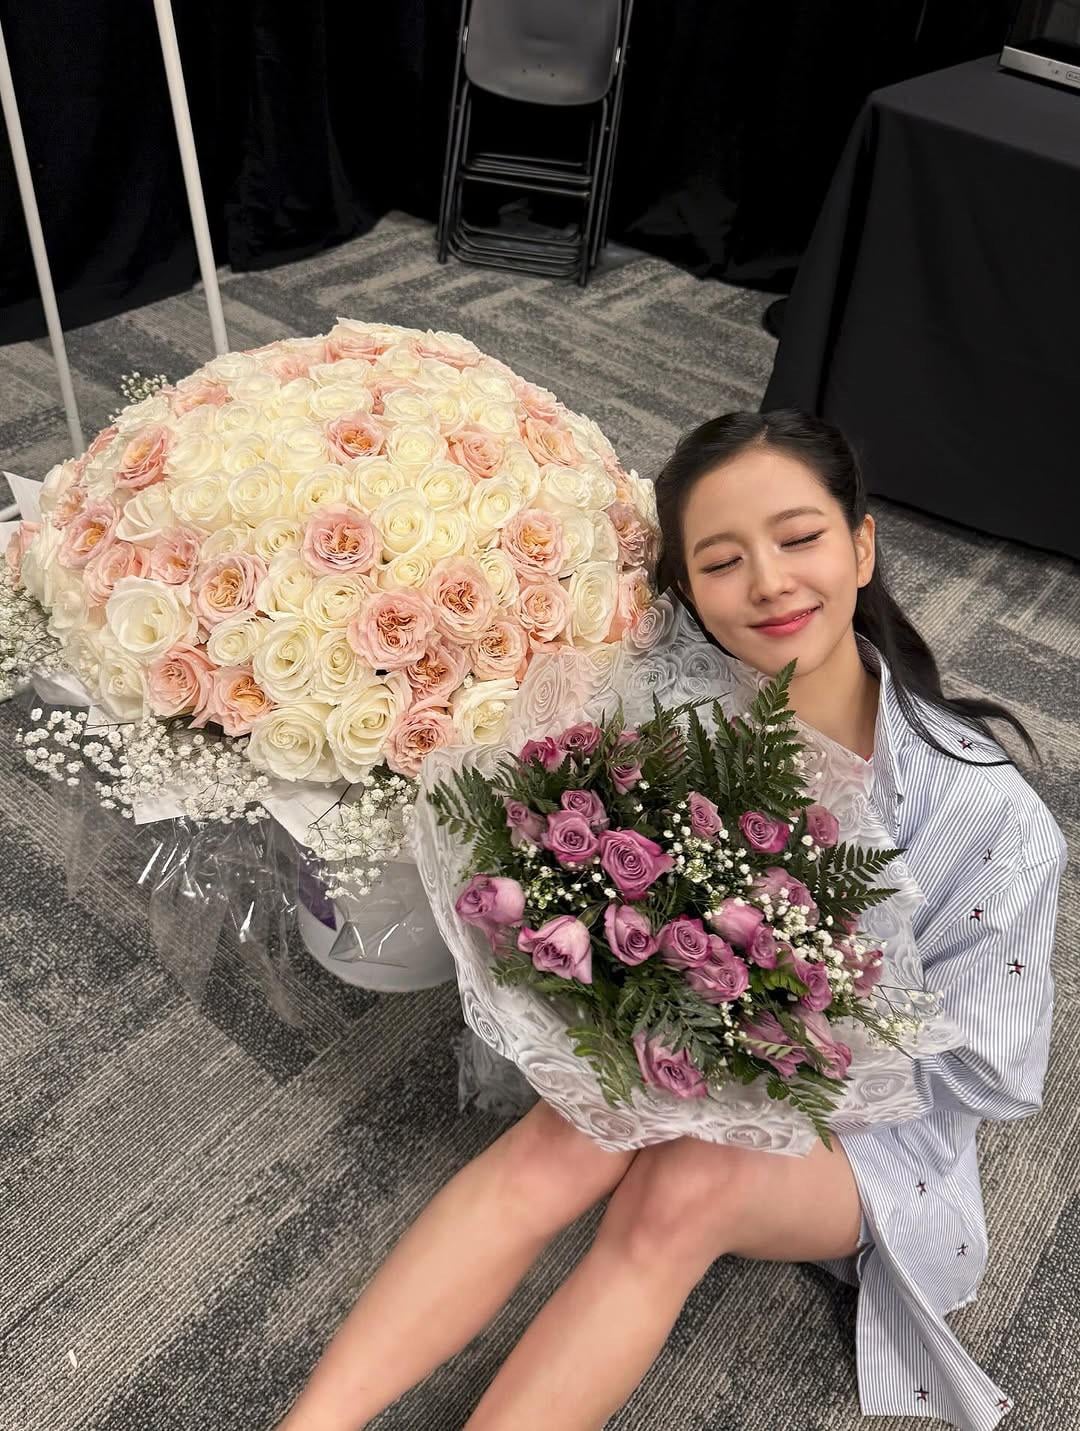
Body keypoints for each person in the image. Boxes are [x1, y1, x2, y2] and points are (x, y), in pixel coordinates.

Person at [277, 409, 1066, 1431]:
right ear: (687, 588)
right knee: (570, 1137)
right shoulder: (663, 722)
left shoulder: (992, 816)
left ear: (862, 546)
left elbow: (986, 1077)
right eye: (723, 561)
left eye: (800, 538)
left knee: (681, 1188)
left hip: (875, 1139)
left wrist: (784, 1039)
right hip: (684, 1048)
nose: (770, 582)